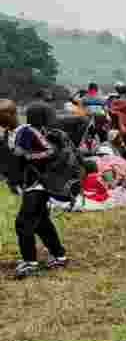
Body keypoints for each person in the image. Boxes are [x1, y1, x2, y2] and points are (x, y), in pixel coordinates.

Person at [9, 102, 69, 278]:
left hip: (37, 184)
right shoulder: (39, 132)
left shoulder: (29, 132)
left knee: (23, 222)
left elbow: (48, 152)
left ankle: (30, 262)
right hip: (37, 183)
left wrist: (28, 156)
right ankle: (59, 256)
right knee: (42, 222)